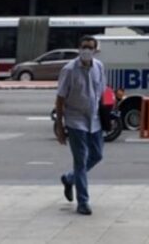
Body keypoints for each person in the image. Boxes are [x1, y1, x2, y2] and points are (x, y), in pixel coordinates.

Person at [55, 35, 108, 215]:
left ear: (95, 50)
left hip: (94, 120)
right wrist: (59, 125)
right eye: (84, 47)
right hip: (75, 120)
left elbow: (102, 92)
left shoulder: (99, 67)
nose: (87, 50)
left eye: (90, 48)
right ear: (79, 48)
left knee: (97, 155)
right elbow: (60, 97)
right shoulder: (69, 70)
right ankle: (83, 202)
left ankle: (69, 179)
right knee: (80, 160)